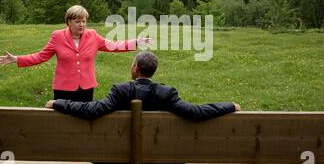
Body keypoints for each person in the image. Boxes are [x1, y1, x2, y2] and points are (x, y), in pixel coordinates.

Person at [0, 5, 151, 102]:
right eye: (78, 21)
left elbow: (113, 45)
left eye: (84, 21)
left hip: (86, 88)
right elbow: (41, 56)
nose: (82, 24)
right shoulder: (57, 36)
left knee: (84, 120)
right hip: (63, 88)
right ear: (69, 22)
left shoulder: (93, 36)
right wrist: (17, 59)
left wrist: (136, 42)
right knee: (62, 122)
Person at [45, 51, 241, 121]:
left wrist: (58, 102)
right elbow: (196, 112)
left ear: (136, 68)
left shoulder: (121, 91)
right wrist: (230, 106)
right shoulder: (166, 94)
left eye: (132, 63)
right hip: (159, 156)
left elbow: (91, 110)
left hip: (116, 157)